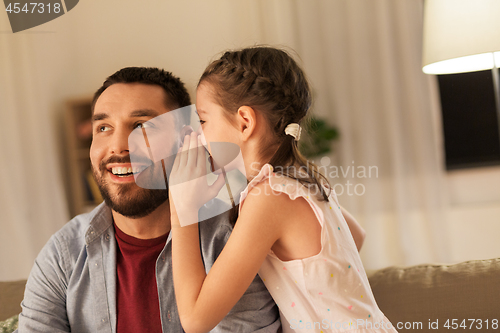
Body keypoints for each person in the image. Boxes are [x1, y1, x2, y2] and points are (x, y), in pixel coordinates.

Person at [16, 67, 281, 333]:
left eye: (142, 126)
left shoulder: (234, 241)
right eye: (104, 127)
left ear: (186, 142)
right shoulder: (64, 253)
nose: (119, 146)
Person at [168, 47, 396, 333]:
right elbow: (356, 237)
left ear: (245, 122)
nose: (199, 134)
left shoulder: (269, 197)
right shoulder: (300, 177)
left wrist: (181, 211)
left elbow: (195, 320)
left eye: (203, 120)